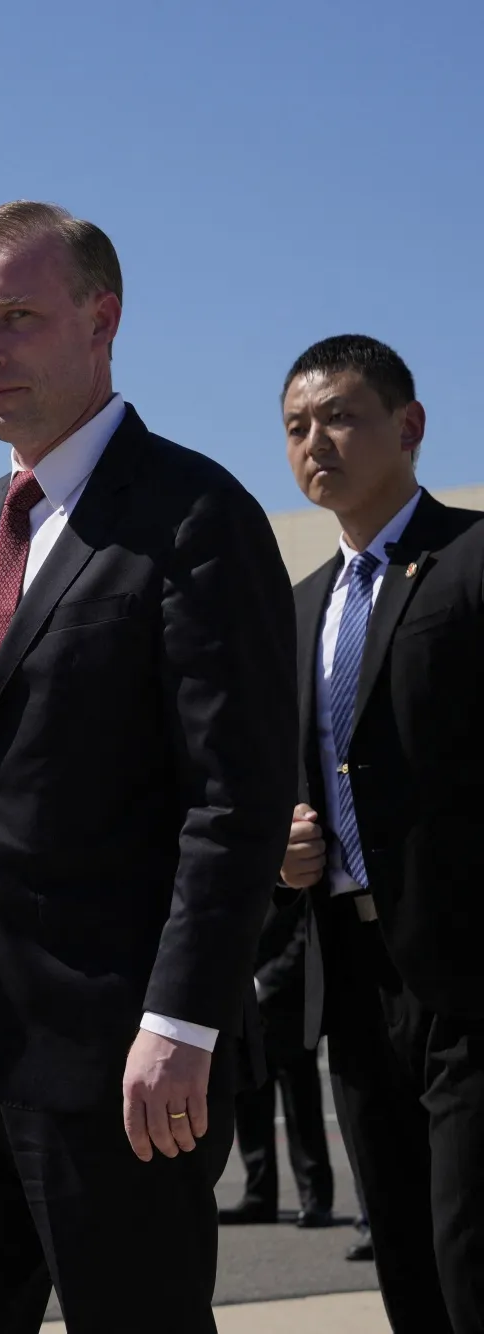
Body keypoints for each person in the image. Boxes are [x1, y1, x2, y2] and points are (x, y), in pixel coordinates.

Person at [0, 201, 298, 1333]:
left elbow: (235, 797)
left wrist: (182, 1017)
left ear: (101, 319)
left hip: (122, 1062)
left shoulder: (194, 515)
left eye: (16, 316)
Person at [275, 334, 484, 1333]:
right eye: (295, 427)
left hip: (467, 978)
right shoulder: (298, 609)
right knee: (402, 1254)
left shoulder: (470, 560)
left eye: (340, 416)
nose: (316, 440)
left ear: (406, 427)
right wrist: (285, 849)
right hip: (349, 983)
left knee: (469, 1249)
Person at [221, 893, 334, 1227]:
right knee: (250, 1107)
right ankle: (259, 1195)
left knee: (303, 1109)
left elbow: (305, 936)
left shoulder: (293, 876)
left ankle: (316, 1198)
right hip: (245, 1010)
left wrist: (264, 982)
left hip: (288, 1008)